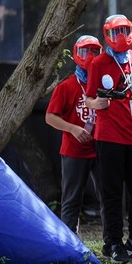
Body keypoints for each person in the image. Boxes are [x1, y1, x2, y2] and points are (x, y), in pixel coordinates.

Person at [86, 14, 132, 263]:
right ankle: (113, 243)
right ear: (107, 34)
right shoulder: (98, 63)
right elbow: (88, 98)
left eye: (125, 30)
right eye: (116, 32)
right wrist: (98, 103)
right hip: (109, 136)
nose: (121, 36)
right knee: (112, 192)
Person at [46, 35, 103, 234]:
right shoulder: (66, 86)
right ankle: (67, 241)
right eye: (85, 51)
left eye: (95, 51)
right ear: (76, 54)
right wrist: (73, 128)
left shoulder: (105, 85)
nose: (90, 56)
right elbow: (50, 117)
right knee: (71, 199)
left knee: (108, 196)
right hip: (74, 150)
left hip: (101, 148)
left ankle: (111, 243)